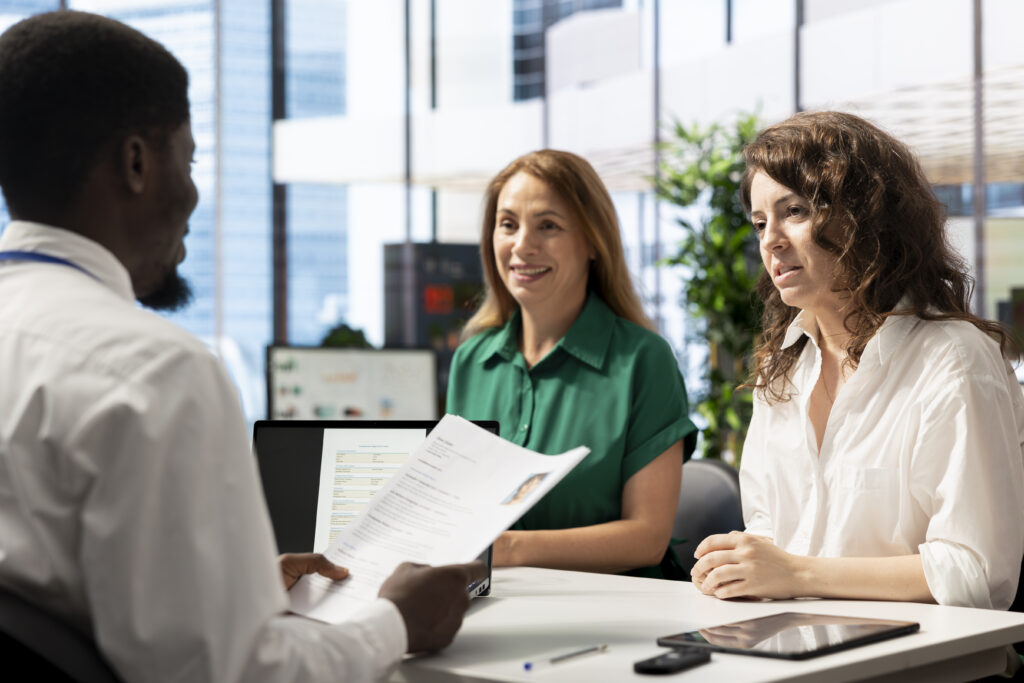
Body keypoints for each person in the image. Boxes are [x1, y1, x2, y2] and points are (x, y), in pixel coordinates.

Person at [0, 11, 484, 683]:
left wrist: (231, 584)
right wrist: (398, 618)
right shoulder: (154, 371)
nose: (195, 194)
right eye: (189, 159)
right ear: (137, 162)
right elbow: (240, 672)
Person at [691, 111, 1024, 611]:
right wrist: (740, 570)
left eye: (796, 211)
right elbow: (771, 539)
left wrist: (796, 573)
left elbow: (974, 573)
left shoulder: (953, 360)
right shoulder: (780, 372)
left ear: (867, 217)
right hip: (797, 647)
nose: (770, 240)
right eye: (760, 222)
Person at [447, 149, 697, 578]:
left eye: (548, 226)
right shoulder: (472, 360)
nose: (522, 245)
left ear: (593, 242)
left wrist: (505, 549)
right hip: (496, 606)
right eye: (508, 224)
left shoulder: (642, 361)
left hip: (615, 613)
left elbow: (647, 538)